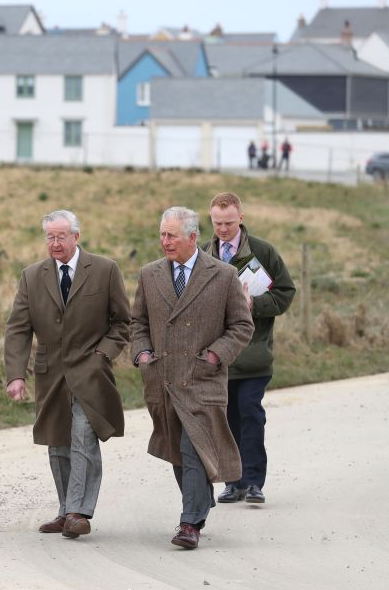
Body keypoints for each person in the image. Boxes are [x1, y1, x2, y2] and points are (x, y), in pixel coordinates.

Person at [130, 207, 253, 550]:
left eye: (172, 235)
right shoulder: (149, 274)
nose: (164, 242)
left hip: (202, 379)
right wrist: (142, 354)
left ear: (193, 237)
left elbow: (242, 326)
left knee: (193, 446)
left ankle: (190, 523)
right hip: (164, 379)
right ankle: (199, 501)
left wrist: (216, 354)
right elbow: (136, 323)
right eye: (162, 235)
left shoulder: (224, 275)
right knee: (178, 453)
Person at [4, 210, 132, 539]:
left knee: (83, 437)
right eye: (50, 237)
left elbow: (122, 323)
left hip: (91, 373)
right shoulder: (32, 276)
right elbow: (18, 329)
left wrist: (103, 354)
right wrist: (16, 375)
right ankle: (65, 510)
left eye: (61, 236)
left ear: (77, 236)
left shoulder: (104, 270)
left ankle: (78, 511)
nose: (55, 243)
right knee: (57, 442)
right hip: (50, 375)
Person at [202, 192, 296, 506]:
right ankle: (233, 482)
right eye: (217, 223)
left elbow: (285, 294)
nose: (223, 229)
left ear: (240, 217)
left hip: (255, 355)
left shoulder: (263, 252)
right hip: (220, 357)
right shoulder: (204, 255)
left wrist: (254, 304)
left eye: (229, 223)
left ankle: (254, 482)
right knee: (228, 421)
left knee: (250, 414)